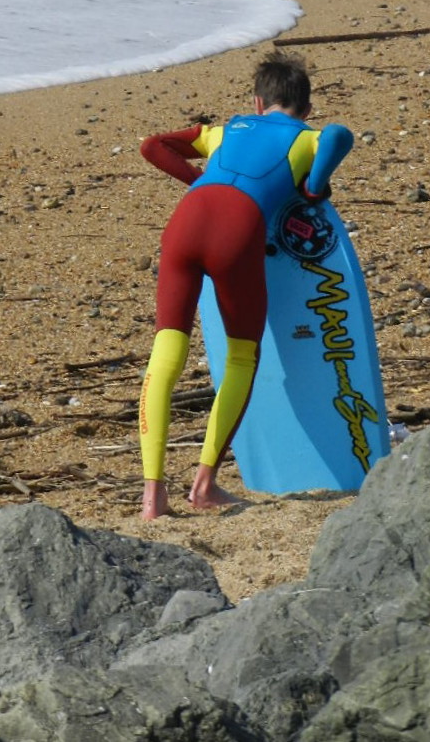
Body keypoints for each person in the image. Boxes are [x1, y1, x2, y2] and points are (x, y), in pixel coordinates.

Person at [137, 51, 354, 519]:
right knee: (241, 357)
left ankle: (152, 496)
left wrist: (199, 181)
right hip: (237, 230)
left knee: (166, 352)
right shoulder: (310, 137)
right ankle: (204, 484)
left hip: (184, 223)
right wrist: (315, 188)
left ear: (258, 103)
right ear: (307, 107)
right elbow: (340, 136)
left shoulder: (221, 131)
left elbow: (152, 146)